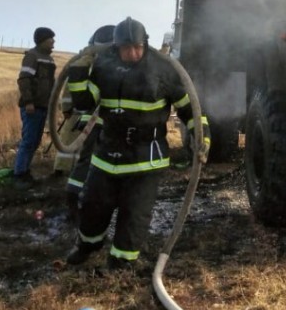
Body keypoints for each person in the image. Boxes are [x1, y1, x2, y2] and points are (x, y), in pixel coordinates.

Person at [66, 16, 211, 272]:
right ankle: (87, 245)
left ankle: (121, 262)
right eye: (126, 48)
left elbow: (190, 109)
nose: (132, 53)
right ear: (116, 47)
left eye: (137, 47)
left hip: (146, 158)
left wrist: (202, 138)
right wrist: (79, 70)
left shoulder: (163, 70)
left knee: (135, 214)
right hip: (107, 154)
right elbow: (85, 102)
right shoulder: (104, 67)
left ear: (145, 44)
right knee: (92, 206)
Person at [61, 24, 115, 220]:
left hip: (97, 123)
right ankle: (78, 201)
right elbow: (85, 98)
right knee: (91, 164)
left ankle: (78, 200)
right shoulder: (100, 69)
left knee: (89, 163)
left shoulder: (98, 66)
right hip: (97, 123)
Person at [13, 27, 57, 189]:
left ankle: (25, 172)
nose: (53, 42)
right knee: (29, 140)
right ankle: (19, 175)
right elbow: (24, 80)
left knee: (35, 141)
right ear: (42, 40)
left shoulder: (49, 60)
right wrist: (29, 101)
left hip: (43, 107)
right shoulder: (32, 56)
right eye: (50, 39)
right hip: (32, 107)